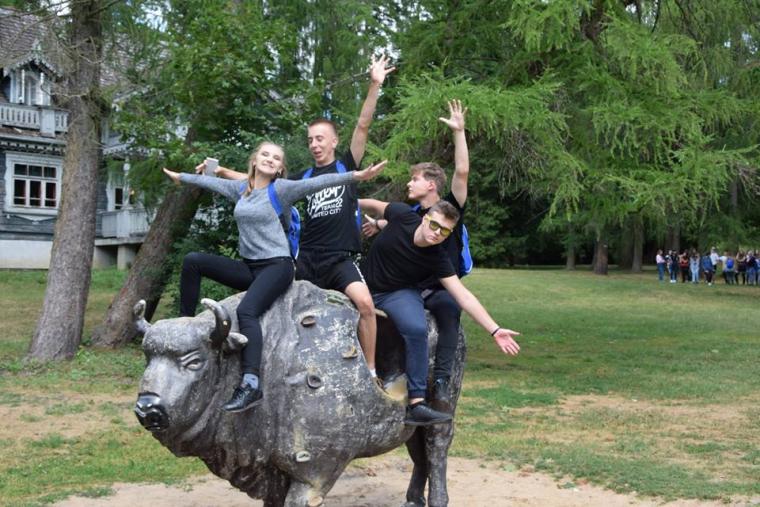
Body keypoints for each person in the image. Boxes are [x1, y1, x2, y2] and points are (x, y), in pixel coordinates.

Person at [163, 142, 386, 413]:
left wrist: (357, 176)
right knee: (193, 261)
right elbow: (208, 182)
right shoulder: (240, 189)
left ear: (280, 168)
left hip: (278, 267)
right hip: (250, 267)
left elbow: (320, 182)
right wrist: (181, 177)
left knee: (247, 311)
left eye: (277, 158)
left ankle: (251, 384)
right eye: (265, 154)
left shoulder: (280, 190)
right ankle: (184, 326)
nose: (270, 159)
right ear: (254, 160)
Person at [217, 55, 395, 383]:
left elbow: (362, 125)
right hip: (306, 260)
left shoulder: (346, 167)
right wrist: (220, 172)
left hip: (339, 259)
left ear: (334, 141)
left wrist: (374, 85)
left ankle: (370, 373)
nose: (314, 144)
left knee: (366, 305)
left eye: (319, 138)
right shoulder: (303, 178)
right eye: (310, 139)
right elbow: (257, 181)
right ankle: (259, 364)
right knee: (268, 299)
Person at [360, 199, 520, 426]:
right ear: (424, 219)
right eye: (434, 225)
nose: (437, 233)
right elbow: (371, 204)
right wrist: (348, 198)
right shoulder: (403, 215)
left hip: (398, 293)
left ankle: (416, 404)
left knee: (417, 329)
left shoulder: (437, 257)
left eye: (444, 231)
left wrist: (495, 330)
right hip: (363, 284)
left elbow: (463, 296)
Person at [362, 99, 469, 411]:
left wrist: (458, 133)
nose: (409, 183)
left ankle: (442, 382)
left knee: (448, 309)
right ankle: (393, 375)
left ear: (431, 184)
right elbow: (399, 223)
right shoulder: (412, 214)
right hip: (408, 287)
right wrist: (377, 225)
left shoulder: (449, 209)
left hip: (438, 287)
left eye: (415, 179)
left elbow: (462, 171)